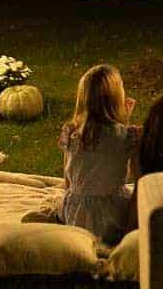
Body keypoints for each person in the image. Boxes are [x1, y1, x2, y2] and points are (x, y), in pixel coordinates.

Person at [58, 64, 139, 244]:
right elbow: (137, 179)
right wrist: (125, 123)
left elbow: (67, 181)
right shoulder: (128, 136)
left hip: (74, 214)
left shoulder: (71, 132)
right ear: (116, 98)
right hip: (110, 218)